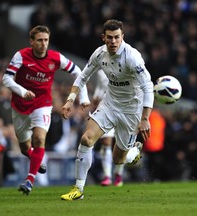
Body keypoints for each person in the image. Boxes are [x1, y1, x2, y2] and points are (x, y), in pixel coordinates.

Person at [60, 19, 154, 200]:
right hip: (110, 104)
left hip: (131, 110)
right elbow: (82, 77)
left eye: (117, 37)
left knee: (118, 159)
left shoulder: (132, 57)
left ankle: (133, 152)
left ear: (122, 37)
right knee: (86, 139)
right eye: (109, 37)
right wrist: (70, 100)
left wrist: (144, 118)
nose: (113, 41)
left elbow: (148, 87)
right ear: (103, 38)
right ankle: (78, 189)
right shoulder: (99, 54)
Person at [2, 25, 90, 195]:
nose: (43, 44)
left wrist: (83, 97)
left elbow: (78, 72)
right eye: (40, 40)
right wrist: (22, 91)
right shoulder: (21, 56)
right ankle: (35, 158)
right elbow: (6, 78)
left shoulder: (56, 58)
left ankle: (30, 180)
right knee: (24, 148)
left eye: (46, 40)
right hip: (20, 107)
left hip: (42, 105)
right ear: (32, 41)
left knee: (39, 139)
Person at [92, 69, 125, 187]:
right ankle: (107, 176)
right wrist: (96, 96)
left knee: (122, 144)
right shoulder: (101, 71)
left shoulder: (126, 66)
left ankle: (118, 173)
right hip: (107, 110)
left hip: (123, 110)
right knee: (106, 142)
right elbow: (100, 87)